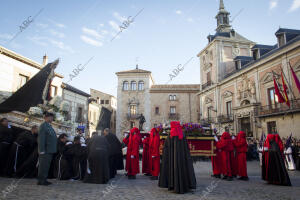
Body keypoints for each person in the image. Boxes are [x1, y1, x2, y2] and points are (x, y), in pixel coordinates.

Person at [158, 121, 196, 194]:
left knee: (173, 169)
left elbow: (166, 147)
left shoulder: (171, 134)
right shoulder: (183, 134)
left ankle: (173, 185)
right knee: (183, 169)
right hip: (182, 158)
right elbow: (186, 148)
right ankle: (184, 185)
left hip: (172, 159)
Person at [37, 112, 57, 186]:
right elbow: (41, 139)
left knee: (46, 165)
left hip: (49, 149)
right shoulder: (43, 126)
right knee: (43, 165)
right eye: (50, 117)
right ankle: (41, 180)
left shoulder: (49, 126)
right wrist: (41, 150)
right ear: (46, 117)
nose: (52, 119)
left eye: (52, 117)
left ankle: (44, 179)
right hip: (45, 150)